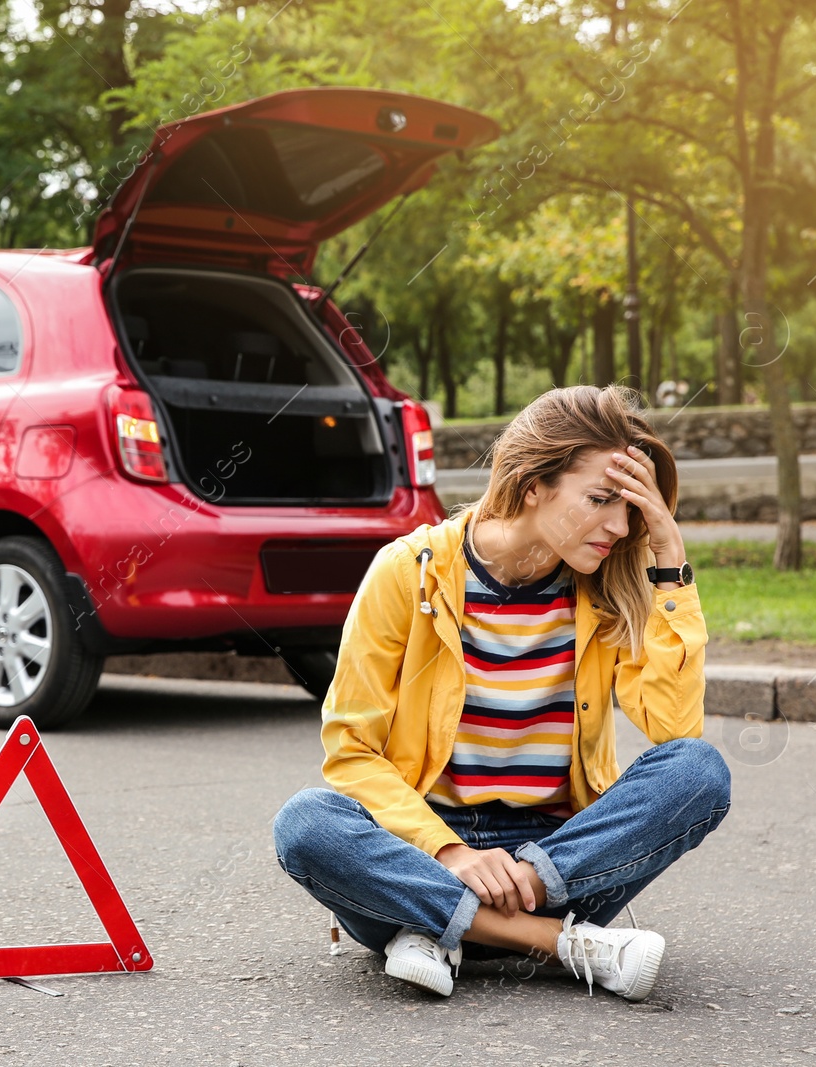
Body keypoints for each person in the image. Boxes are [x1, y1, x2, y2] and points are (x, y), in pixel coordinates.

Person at [272, 384, 729, 1003]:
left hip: (561, 860)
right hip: (426, 848)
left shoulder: (609, 591)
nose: (619, 527)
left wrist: (669, 566)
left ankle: (434, 927)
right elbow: (351, 751)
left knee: (699, 771)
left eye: (630, 511)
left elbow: (674, 731)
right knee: (306, 823)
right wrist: (449, 851)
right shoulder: (409, 573)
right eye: (600, 500)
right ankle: (563, 945)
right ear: (531, 484)